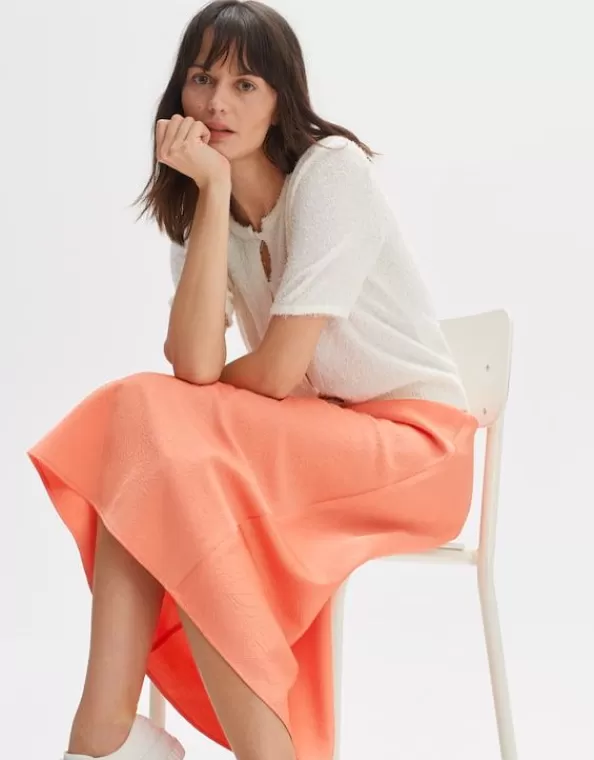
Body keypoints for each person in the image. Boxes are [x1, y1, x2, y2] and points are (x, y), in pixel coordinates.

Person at [27, 2, 479, 759]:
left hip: (415, 450)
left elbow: (275, 370)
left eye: (246, 85)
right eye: (202, 80)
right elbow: (196, 365)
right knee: (156, 433)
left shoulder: (331, 174)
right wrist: (210, 196)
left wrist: (198, 402)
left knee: (154, 421)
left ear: (281, 99)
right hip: (312, 441)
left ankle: (116, 738)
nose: (217, 104)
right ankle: (115, 734)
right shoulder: (204, 205)